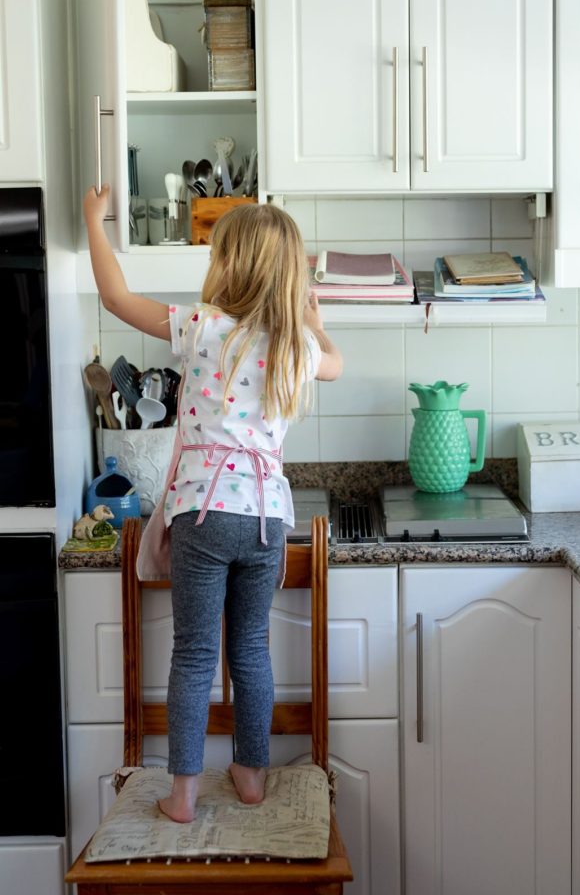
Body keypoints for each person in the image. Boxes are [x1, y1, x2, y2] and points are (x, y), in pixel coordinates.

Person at [83, 185, 343, 821]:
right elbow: (335, 362)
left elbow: (115, 297)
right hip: (264, 520)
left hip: (201, 513)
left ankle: (182, 794)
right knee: (250, 650)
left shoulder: (201, 327)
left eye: (216, 256)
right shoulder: (293, 349)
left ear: (232, 265)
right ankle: (251, 778)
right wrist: (312, 318)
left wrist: (95, 220)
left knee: (195, 654)